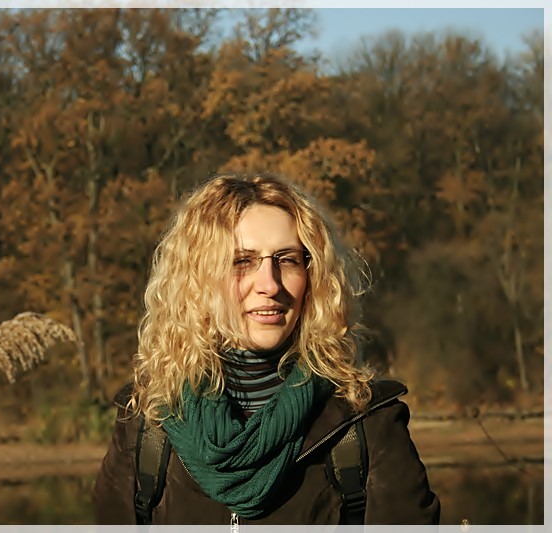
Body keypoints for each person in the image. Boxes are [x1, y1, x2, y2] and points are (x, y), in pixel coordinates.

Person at [92, 173, 440, 525]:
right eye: (242, 261)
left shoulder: (366, 422)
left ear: (313, 276)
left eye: (286, 260)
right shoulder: (147, 423)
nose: (270, 285)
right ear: (197, 279)